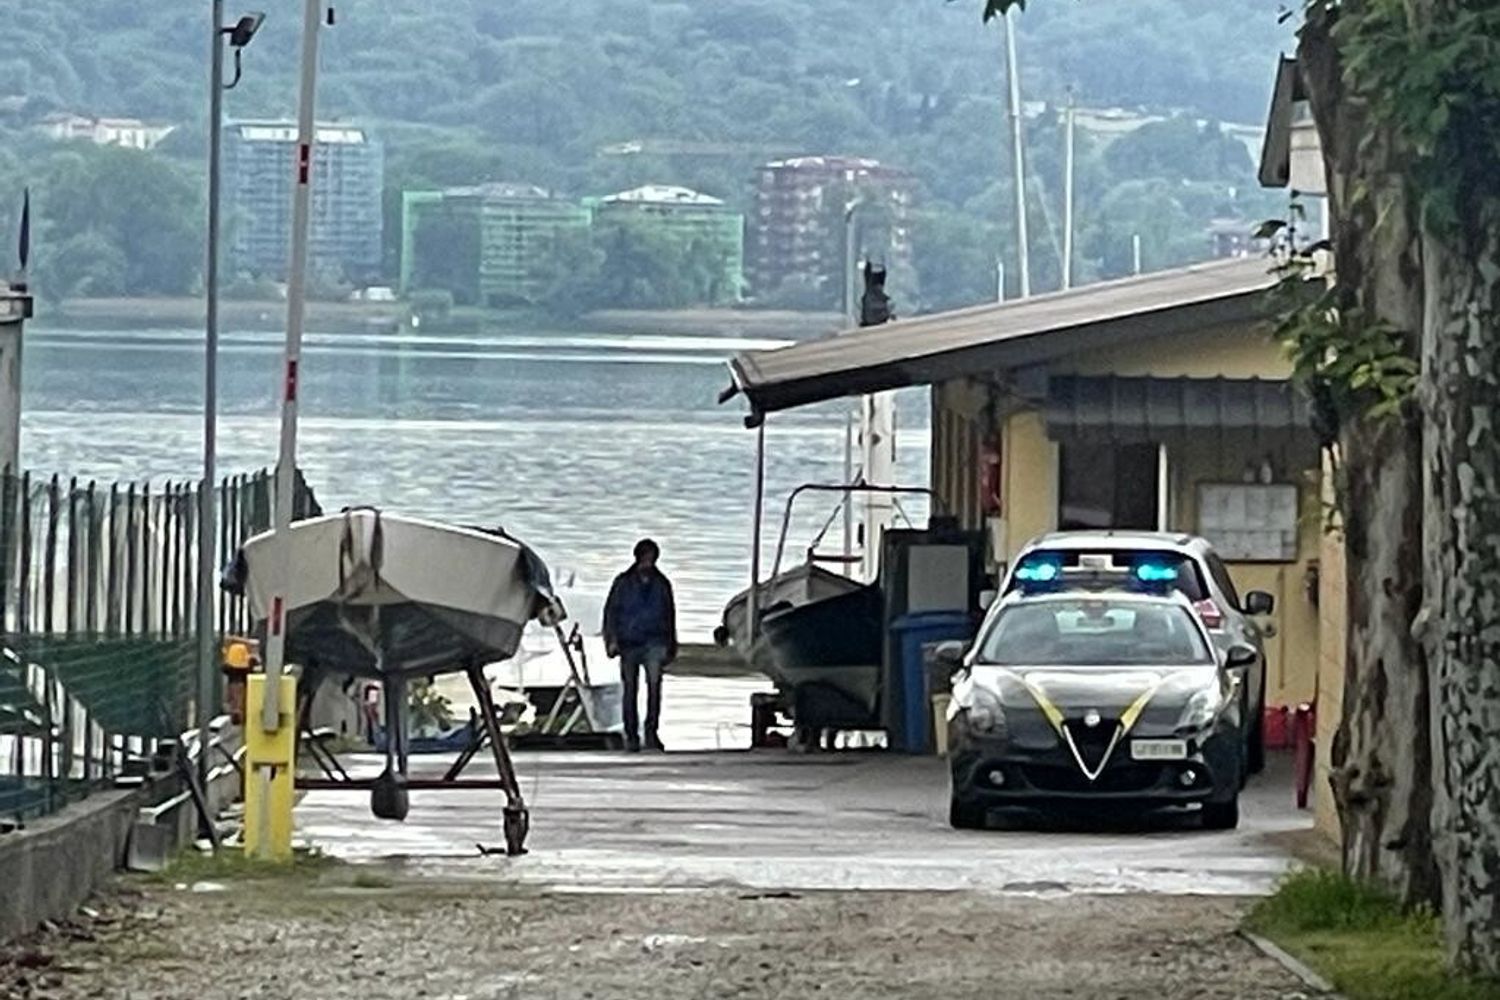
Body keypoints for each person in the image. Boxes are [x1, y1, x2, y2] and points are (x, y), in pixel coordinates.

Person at [603, 538, 678, 752]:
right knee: (630, 690)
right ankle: (631, 735)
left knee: (654, 688)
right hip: (628, 643)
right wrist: (611, 640)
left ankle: (651, 732)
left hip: (655, 642)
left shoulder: (662, 584)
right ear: (637, 558)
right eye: (645, 558)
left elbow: (670, 615)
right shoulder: (623, 582)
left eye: (652, 559)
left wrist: (671, 644)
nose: (648, 563)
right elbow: (610, 613)